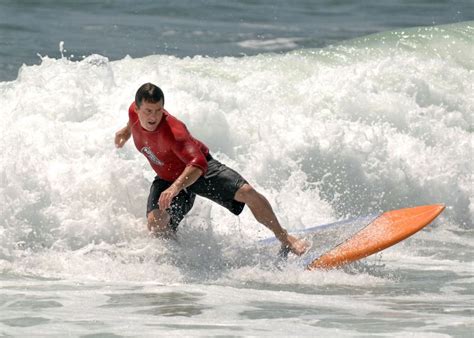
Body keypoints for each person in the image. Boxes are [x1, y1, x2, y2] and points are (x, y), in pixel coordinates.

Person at [114, 83, 308, 256]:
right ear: (137, 108)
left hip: (198, 171)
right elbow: (134, 123)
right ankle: (177, 259)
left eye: (158, 110)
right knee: (157, 225)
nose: (154, 116)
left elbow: (198, 163)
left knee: (247, 192)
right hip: (167, 177)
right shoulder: (134, 114)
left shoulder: (174, 131)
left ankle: (285, 238)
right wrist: (126, 131)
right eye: (148, 111)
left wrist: (175, 188)